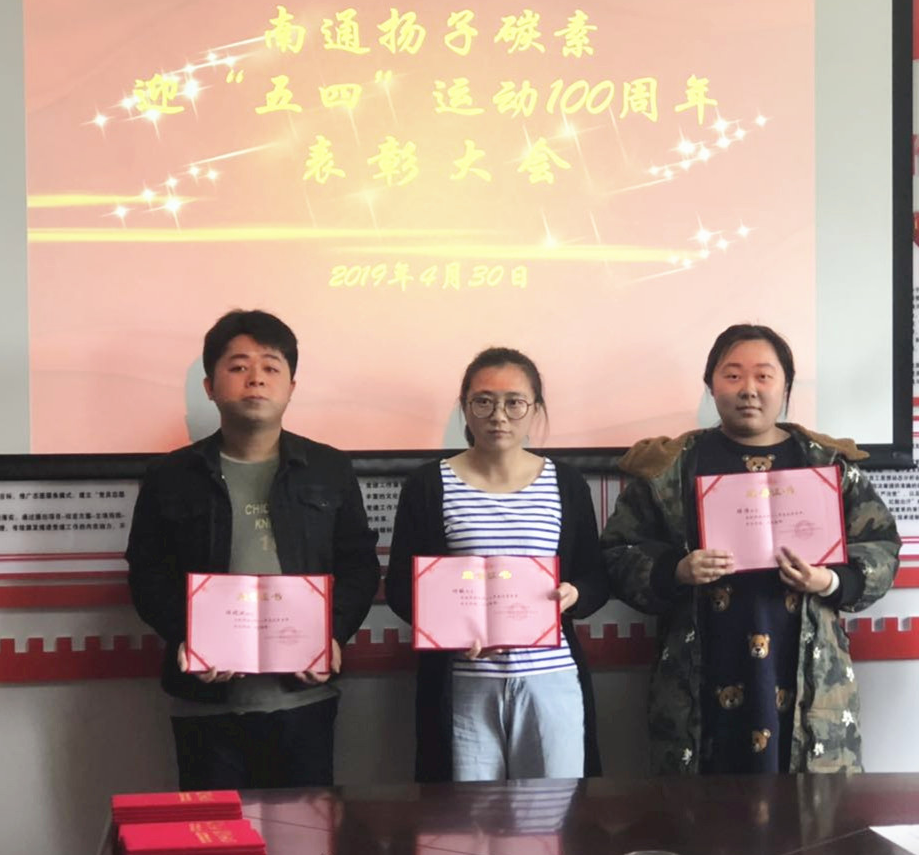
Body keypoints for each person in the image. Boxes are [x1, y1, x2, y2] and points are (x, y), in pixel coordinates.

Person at [600, 323, 901, 775]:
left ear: (786, 386)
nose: (748, 389)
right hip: (701, 666)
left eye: (764, 375)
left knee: (811, 807)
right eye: (733, 375)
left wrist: (829, 580)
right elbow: (618, 550)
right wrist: (675, 571)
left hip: (805, 668)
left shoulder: (826, 463)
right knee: (701, 804)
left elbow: (881, 545)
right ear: (711, 384)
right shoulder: (671, 467)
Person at [126, 309, 380, 789]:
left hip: (303, 698)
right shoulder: (170, 476)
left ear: (291, 386)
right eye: (238, 366)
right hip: (205, 702)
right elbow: (147, 573)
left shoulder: (329, 469)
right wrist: (187, 637)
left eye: (270, 367)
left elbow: (358, 565)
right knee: (214, 828)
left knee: (306, 827)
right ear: (210, 386)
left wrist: (332, 634)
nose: (255, 379)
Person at [384, 347, 609, 782]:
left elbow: (595, 576)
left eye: (514, 402)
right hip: (463, 680)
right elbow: (400, 589)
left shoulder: (566, 483)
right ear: (465, 408)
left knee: (555, 810)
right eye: (483, 402)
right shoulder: (428, 484)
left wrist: (576, 594)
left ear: (535, 409)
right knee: (465, 814)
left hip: (551, 678)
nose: (498, 416)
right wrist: (451, 631)